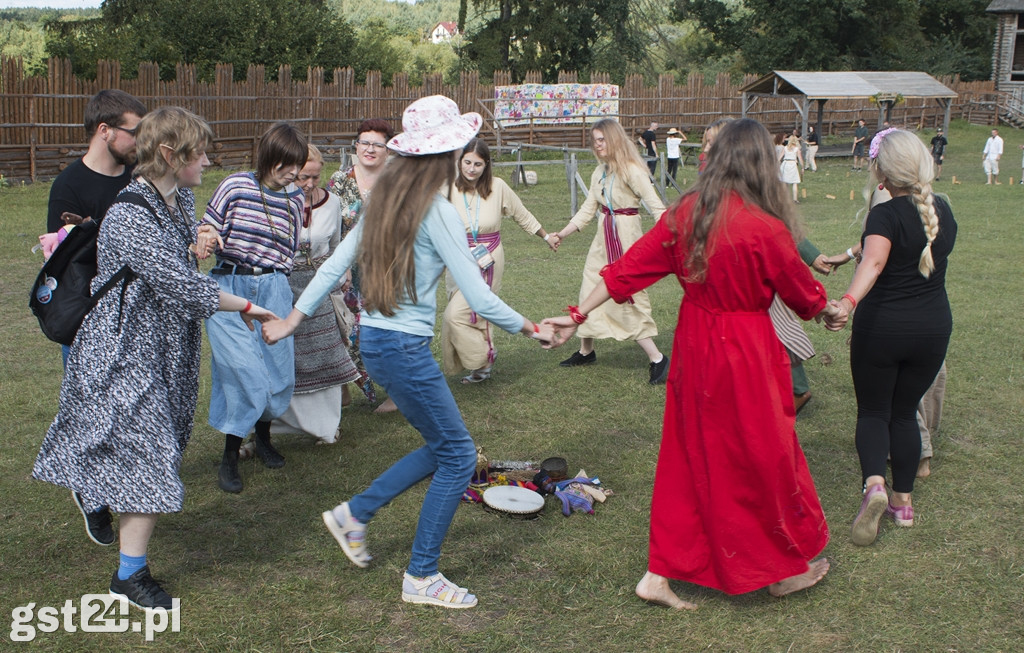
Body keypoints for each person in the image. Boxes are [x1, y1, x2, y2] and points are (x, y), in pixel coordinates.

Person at [262, 95, 555, 609]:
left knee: (445, 445)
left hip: (377, 346)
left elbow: (332, 269)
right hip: (402, 349)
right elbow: (480, 295)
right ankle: (421, 576)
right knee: (459, 455)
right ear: (445, 151)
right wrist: (532, 328)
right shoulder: (436, 209)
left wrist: (292, 318)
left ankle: (356, 514)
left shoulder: (386, 198)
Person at [542, 118, 839, 609]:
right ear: (762, 164)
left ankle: (658, 574)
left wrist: (578, 314)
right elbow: (805, 298)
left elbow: (626, 270)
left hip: (697, 348)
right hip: (745, 353)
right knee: (766, 456)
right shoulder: (766, 228)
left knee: (688, 458)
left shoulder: (686, 213)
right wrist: (829, 309)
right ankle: (781, 569)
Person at [32, 107, 277, 610]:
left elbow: (180, 258)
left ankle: (99, 498)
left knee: (148, 449)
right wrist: (248, 306)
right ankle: (129, 575)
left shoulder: (179, 199)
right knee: (151, 454)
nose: (207, 161)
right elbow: (182, 286)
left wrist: (199, 241)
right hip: (124, 351)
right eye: (199, 153)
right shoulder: (127, 213)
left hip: (165, 345)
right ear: (170, 154)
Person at [823, 129, 956, 547]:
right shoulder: (944, 212)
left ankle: (875, 485)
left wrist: (846, 302)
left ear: (883, 170)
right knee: (903, 413)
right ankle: (903, 503)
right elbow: (889, 253)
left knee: (875, 412)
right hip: (932, 330)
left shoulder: (884, 214)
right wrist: (851, 253)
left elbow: (876, 261)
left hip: (882, 329)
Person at [201, 122, 307, 493]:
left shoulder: (295, 199)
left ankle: (263, 439)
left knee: (277, 371)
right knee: (243, 371)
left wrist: (275, 281)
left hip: (274, 287)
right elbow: (208, 227)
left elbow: (290, 247)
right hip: (230, 287)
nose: (294, 172)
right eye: (287, 164)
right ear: (269, 156)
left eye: (298, 164)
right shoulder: (235, 185)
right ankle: (230, 455)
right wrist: (208, 238)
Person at [551, 118, 670, 384]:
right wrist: (562, 233)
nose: (597, 145)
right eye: (594, 140)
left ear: (614, 139)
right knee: (589, 290)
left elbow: (657, 207)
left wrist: (670, 238)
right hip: (602, 239)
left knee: (626, 295)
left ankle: (657, 358)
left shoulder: (632, 170)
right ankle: (586, 351)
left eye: (602, 139)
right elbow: (587, 209)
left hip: (626, 238)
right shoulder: (600, 172)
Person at [46, 90, 147, 371]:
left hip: (139, 316)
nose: (141, 141)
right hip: (89, 318)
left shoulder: (140, 178)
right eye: (134, 131)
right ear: (105, 131)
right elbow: (64, 264)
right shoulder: (68, 186)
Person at [441, 137, 557, 383]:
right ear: (460, 162)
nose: (471, 169)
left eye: (478, 164)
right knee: (459, 307)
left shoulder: (499, 186)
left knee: (461, 313)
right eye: (467, 162)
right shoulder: (448, 187)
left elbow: (521, 214)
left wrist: (545, 235)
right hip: (458, 256)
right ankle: (479, 365)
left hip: (489, 257)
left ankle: (483, 360)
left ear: (486, 165)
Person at [269, 144, 360, 444]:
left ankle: (327, 425)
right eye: (302, 178)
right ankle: (279, 425)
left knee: (328, 354)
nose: (309, 184)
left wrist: (342, 271)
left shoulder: (332, 202)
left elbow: (336, 246)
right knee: (288, 356)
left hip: (320, 282)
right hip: (285, 283)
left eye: (315, 178)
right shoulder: (275, 201)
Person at [327, 118, 398, 414]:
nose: (369, 149)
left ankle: (397, 392)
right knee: (342, 329)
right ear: (355, 145)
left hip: (387, 268)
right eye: (364, 142)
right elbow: (328, 223)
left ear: (388, 149)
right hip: (347, 270)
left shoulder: (397, 181)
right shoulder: (339, 181)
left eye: (377, 144)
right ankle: (342, 389)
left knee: (386, 331)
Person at [780, 135, 804, 203]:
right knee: (794, 182)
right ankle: (795, 199)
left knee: (785, 182)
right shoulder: (796, 149)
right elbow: (800, 159)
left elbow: (780, 157)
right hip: (792, 164)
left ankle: (785, 198)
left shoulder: (785, 148)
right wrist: (802, 167)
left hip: (785, 164)